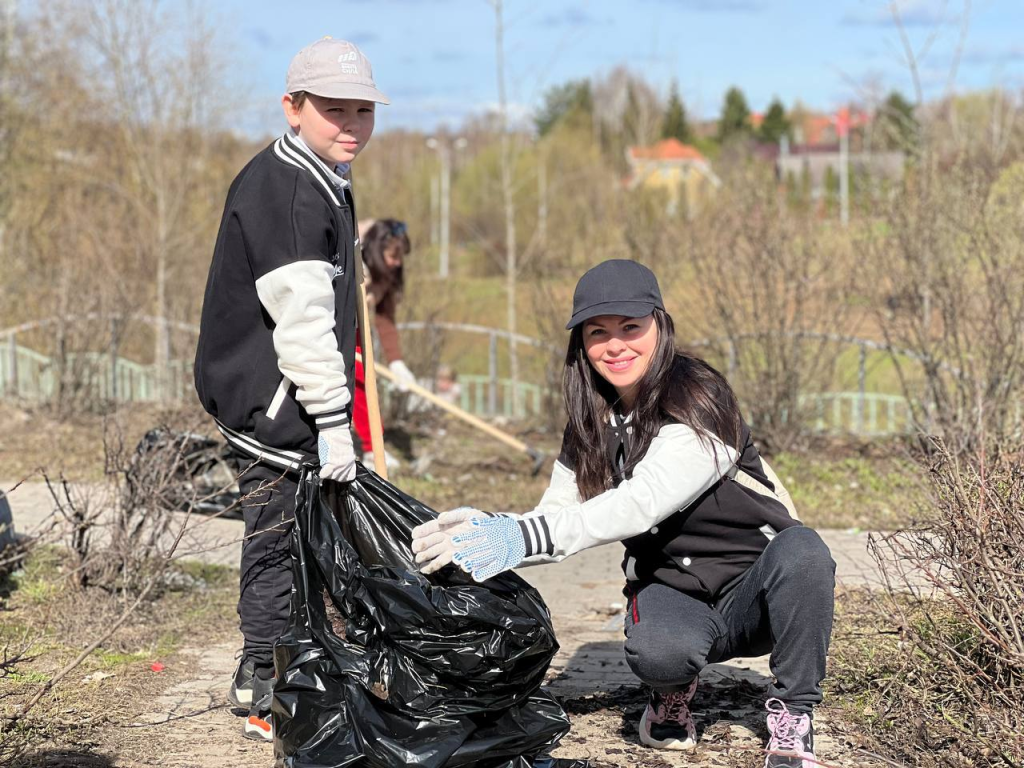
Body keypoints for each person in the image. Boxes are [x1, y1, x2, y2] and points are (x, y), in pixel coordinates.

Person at [411, 260, 836, 768]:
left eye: (631, 328)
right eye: (598, 332)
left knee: (805, 551)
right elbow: (558, 515)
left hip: (760, 592)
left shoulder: (701, 398)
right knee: (658, 653)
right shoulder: (590, 423)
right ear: (581, 345)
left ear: (660, 325)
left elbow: (640, 503)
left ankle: (793, 716)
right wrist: (490, 531)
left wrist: (522, 536)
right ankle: (672, 692)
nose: (616, 346)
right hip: (677, 593)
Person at [193, 36, 388, 742]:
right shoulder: (291, 190)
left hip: (285, 399)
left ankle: (306, 664)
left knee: (310, 537)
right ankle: (263, 683)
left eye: (362, 111)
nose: (351, 126)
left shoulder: (317, 172)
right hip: (274, 405)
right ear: (293, 106)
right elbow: (301, 319)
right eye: (334, 110)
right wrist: (335, 420)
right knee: (277, 540)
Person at [352, 218, 416, 469]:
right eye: (393, 256)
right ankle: (369, 449)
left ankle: (371, 449)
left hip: (354, 328)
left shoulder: (387, 272)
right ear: (377, 250)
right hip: (330, 325)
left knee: (365, 381)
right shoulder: (351, 258)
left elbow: (385, 318)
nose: (398, 263)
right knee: (358, 379)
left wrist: (397, 362)